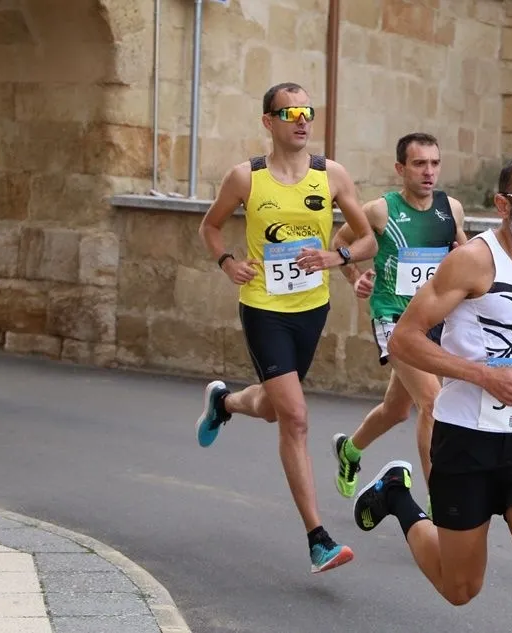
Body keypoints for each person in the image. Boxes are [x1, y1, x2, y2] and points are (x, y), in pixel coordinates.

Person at [351, 156, 512, 632]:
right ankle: (397, 498)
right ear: (504, 205)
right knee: (460, 588)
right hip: (467, 441)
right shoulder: (473, 261)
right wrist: (483, 375)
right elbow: (405, 338)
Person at [193, 81, 378, 574]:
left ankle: (225, 403)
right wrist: (228, 262)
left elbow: (367, 240)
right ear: (268, 122)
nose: (301, 121)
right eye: (289, 113)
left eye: (306, 112)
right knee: (295, 417)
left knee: (275, 410)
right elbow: (209, 226)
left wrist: (337, 256)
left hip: (312, 308)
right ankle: (318, 539)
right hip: (263, 307)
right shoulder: (246, 178)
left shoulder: (331, 175)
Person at [327, 133, 469, 511]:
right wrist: (354, 277)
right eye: (419, 164)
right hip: (393, 316)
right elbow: (340, 243)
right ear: (400, 169)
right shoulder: (380, 211)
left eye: (434, 163)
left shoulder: (451, 209)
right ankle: (438, 502)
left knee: (396, 410)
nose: (428, 172)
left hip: (434, 318)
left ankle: (350, 450)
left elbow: (466, 255)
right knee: (433, 403)